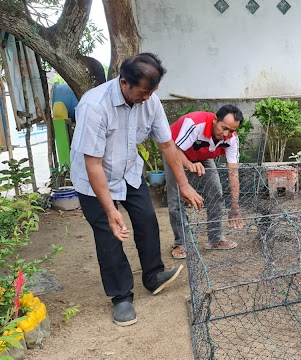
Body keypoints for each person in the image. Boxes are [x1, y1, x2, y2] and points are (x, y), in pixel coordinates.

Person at [70, 53, 204, 326]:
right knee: (110, 235)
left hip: (129, 172)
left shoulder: (150, 102)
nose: (147, 98)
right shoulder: (94, 106)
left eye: (151, 92)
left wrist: (185, 184)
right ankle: (121, 296)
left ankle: (153, 276)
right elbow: (93, 163)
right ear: (123, 83)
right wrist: (110, 211)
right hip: (94, 179)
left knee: (146, 220)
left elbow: (167, 145)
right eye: (142, 92)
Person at [165, 106, 246, 259]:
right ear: (215, 120)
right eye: (224, 128)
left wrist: (235, 206)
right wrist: (189, 165)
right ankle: (181, 242)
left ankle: (215, 239)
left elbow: (233, 172)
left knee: (215, 191)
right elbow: (174, 150)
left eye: (231, 130)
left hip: (202, 155)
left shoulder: (231, 139)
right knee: (176, 198)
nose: (226, 134)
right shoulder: (195, 124)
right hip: (174, 152)